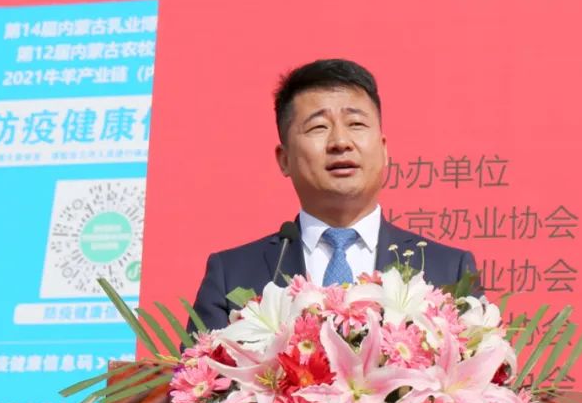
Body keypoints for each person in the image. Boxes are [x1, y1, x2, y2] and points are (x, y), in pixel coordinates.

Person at [190, 58, 478, 331]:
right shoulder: (231, 275)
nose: (340, 142)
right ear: (284, 159)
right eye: (318, 127)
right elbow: (198, 364)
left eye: (356, 124)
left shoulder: (448, 270)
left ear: (384, 149)